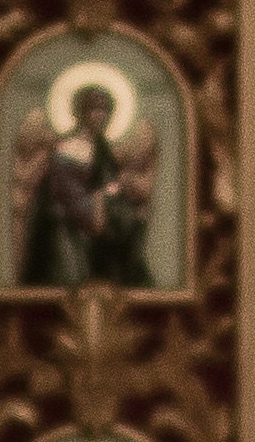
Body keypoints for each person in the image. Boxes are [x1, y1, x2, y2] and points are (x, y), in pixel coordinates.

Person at [19, 78, 160, 287]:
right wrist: (109, 194)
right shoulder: (68, 149)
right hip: (69, 235)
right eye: (94, 110)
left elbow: (112, 187)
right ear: (80, 113)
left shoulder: (103, 150)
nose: (100, 116)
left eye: (105, 110)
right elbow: (73, 197)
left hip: (97, 233)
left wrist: (131, 207)